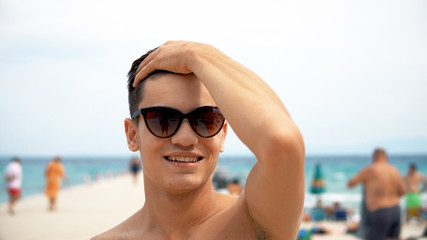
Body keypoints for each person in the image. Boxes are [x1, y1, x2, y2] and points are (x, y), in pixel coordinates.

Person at [92, 41, 305, 239]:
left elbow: (283, 144)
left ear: (222, 135)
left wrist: (199, 55)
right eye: (163, 119)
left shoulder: (251, 222)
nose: (185, 139)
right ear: (132, 135)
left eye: (206, 120)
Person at [347, 148, 406, 240]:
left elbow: (350, 184)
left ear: (373, 157)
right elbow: (403, 192)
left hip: (379, 211)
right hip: (396, 210)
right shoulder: (394, 170)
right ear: (386, 157)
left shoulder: (370, 170)